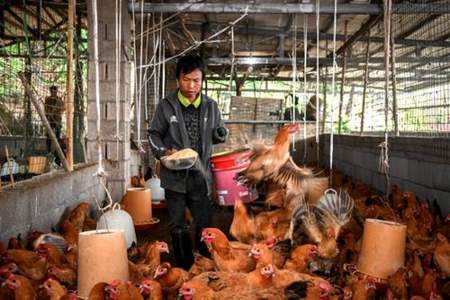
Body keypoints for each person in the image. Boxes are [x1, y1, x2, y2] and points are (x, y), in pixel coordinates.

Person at [148, 55, 228, 270]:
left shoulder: (211, 106)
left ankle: (203, 264)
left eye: (196, 80)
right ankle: (184, 267)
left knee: (204, 223)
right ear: (178, 80)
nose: (192, 85)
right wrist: (163, 152)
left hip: (200, 176)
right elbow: (153, 135)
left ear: (202, 81)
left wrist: (221, 133)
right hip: (174, 176)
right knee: (177, 224)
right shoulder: (166, 106)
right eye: (187, 80)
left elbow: (219, 133)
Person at [44, 86, 64, 164]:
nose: (53, 93)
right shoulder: (47, 99)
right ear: (50, 91)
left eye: (55, 91)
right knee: (48, 135)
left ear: (57, 91)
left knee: (58, 136)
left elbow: (62, 108)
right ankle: (48, 151)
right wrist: (49, 114)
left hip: (57, 120)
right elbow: (46, 108)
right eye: (52, 91)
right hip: (49, 120)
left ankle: (57, 153)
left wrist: (56, 111)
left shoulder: (59, 100)